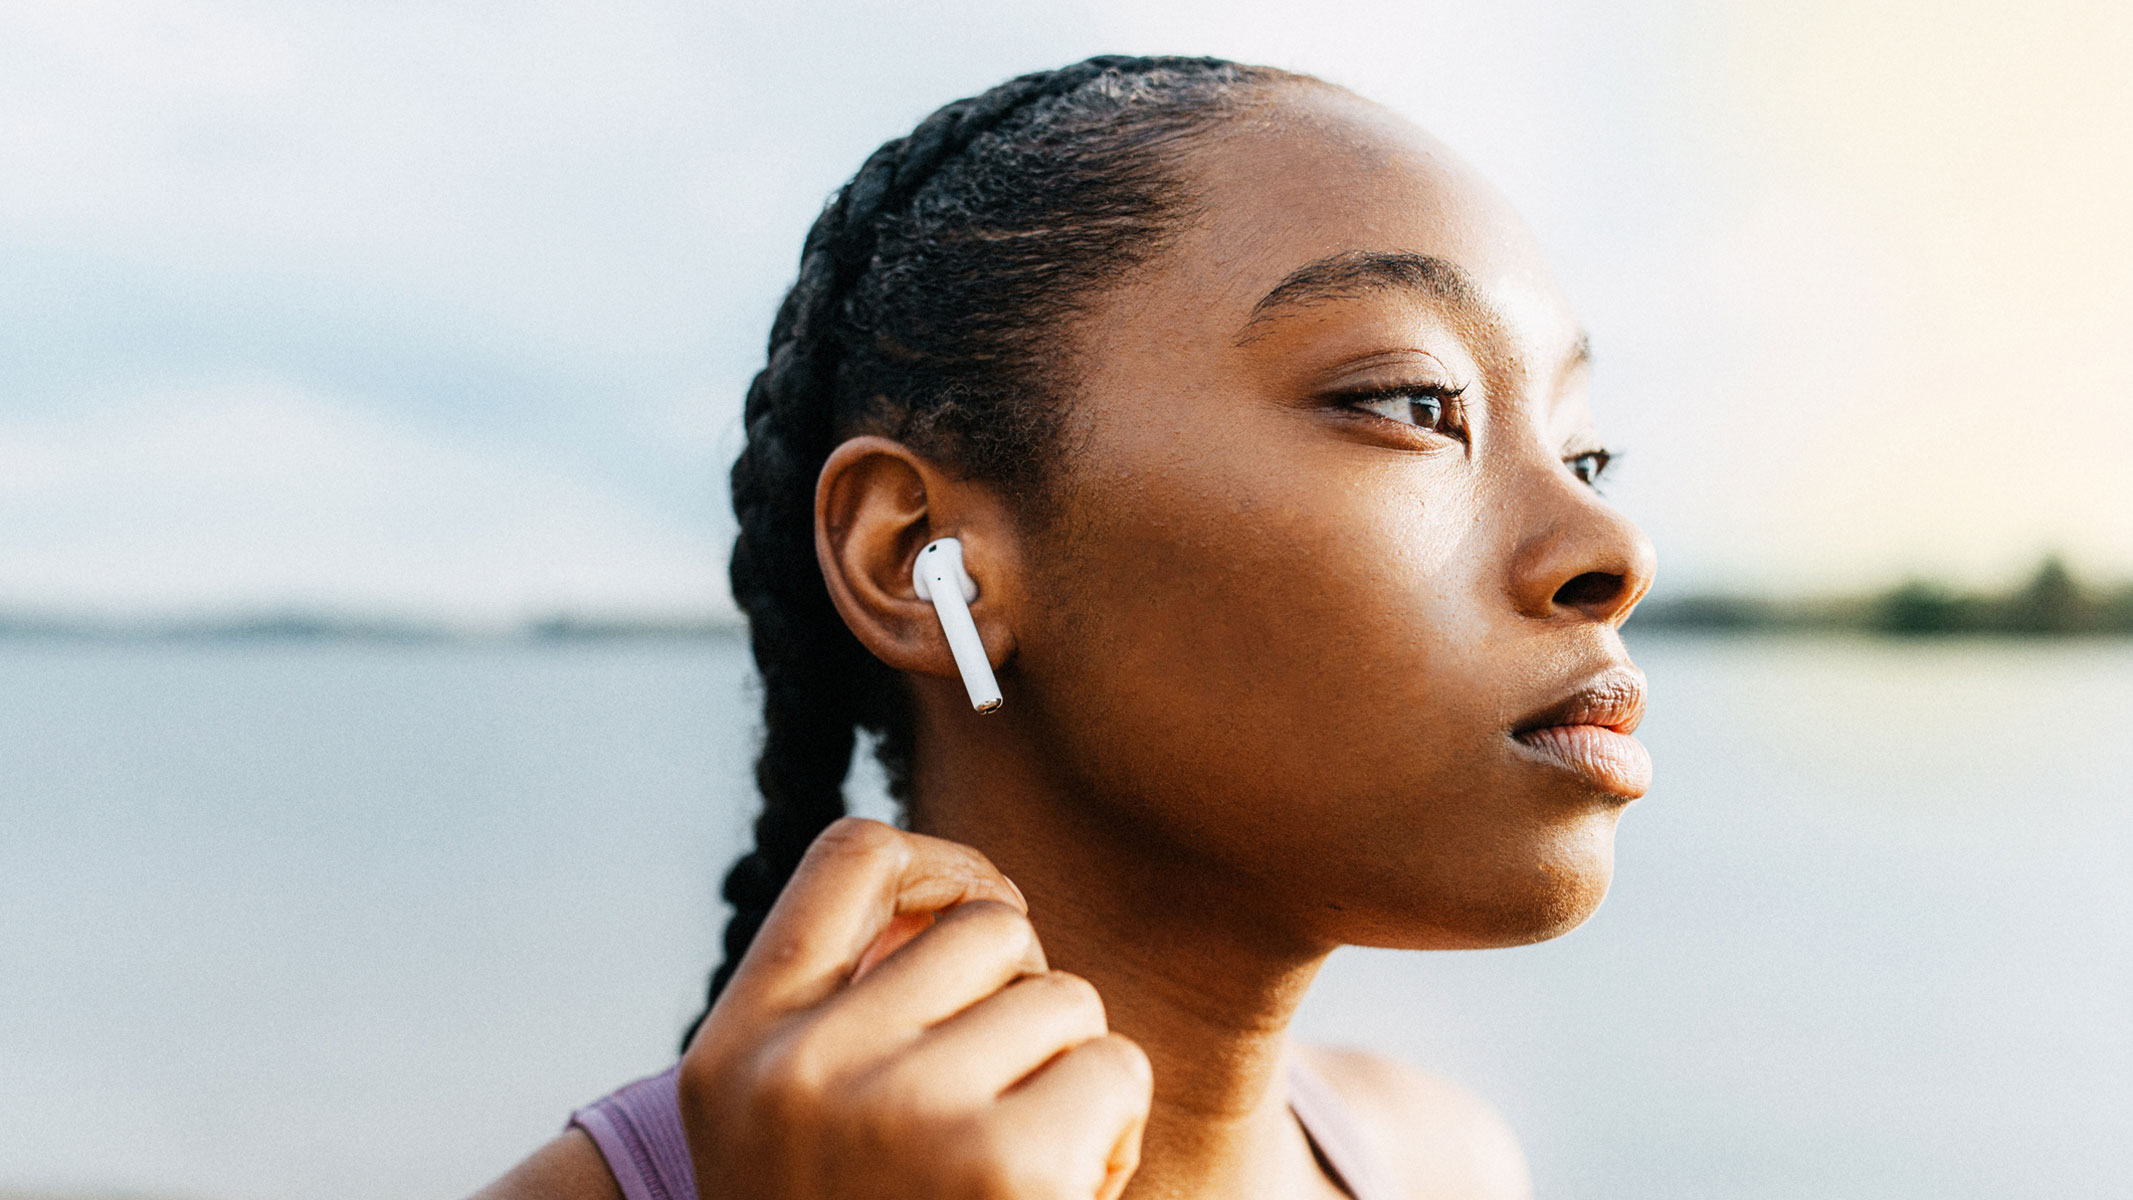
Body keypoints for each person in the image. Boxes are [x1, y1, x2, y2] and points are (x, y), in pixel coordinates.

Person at [476, 53, 1654, 1200]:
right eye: (1411, 402)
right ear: (919, 559)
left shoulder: (1443, 1162)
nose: (1616, 549)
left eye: (1585, 455)